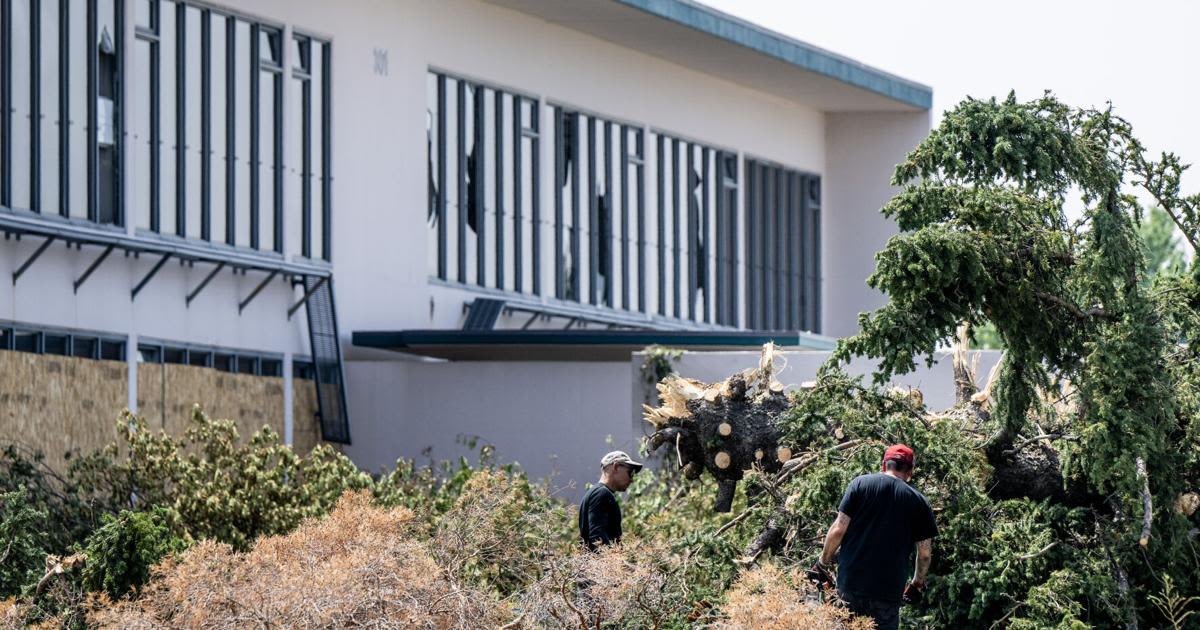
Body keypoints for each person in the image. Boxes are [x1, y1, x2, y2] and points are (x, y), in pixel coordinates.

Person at [808, 444, 937, 630]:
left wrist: (822, 563)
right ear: (910, 471)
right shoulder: (919, 502)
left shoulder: (860, 484)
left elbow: (838, 529)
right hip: (887, 593)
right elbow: (924, 554)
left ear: (884, 465)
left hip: (850, 585)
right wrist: (917, 583)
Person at [578, 450, 642, 551]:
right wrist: (613, 562)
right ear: (616, 467)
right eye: (630, 473)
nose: (632, 480)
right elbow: (597, 537)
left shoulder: (598, 492)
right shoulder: (601, 493)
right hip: (600, 565)